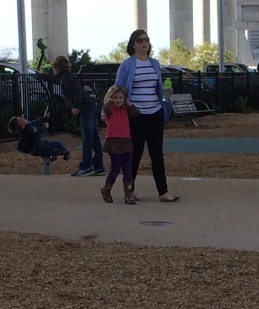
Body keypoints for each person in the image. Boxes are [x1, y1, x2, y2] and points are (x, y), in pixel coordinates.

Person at [114, 29, 178, 202]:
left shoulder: (155, 63)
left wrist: (165, 95)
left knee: (157, 153)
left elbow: (157, 86)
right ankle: (130, 190)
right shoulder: (127, 65)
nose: (144, 43)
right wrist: (126, 104)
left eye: (146, 40)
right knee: (135, 153)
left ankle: (163, 192)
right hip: (136, 115)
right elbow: (118, 88)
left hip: (155, 113)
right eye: (140, 40)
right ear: (133, 44)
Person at [55, 56, 103, 177]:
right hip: (90, 106)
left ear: (57, 68)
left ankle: (87, 165)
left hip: (84, 108)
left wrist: (75, 106)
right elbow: (53, 79)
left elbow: (77, 91)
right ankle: (98, 165)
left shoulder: (65, 78)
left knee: (87, 138)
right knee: (94, 137)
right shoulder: (68, 76)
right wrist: (41, 75)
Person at [100, 83, 137, 204]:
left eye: (121, 97)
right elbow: (104, 110)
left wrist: (129, 103)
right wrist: (103, 113)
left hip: (126, 141)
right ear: (111, 98)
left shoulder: (127, 109)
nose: (118, 100)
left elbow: (136, 113)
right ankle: (107, 189)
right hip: (113, 141)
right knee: (115, 168)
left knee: (127, 169)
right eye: (115, 98)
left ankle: (128, 194)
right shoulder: (109, 107)